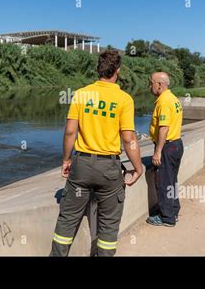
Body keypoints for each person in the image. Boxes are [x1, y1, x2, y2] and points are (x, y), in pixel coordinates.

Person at [50, 49, 143, 257]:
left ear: (98, 69)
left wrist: (66, 160)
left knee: (67, 220)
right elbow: (129, 139)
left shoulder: (82, 94)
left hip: (81, 165)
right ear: (117, 71)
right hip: (109, 169)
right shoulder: (124, 99)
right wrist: (138, 168)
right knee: (108, 226)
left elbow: (70, 132)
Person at [146, 72, 184, 227]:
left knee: (163, 182)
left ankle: (166, 218)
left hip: (167, 146)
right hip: (176, 144)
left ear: (159, 85)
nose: (150, 85)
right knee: (172, 180)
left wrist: (158, 151)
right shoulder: (173, 98)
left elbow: (163, 128)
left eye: (151, 82)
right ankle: (173, 211)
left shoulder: (164, 102)